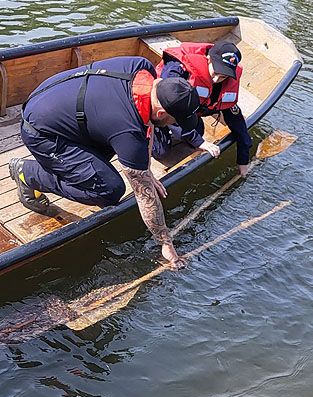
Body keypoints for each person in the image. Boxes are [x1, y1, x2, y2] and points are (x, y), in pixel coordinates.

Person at [11, 56, 200, 268]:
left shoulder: (142, 66)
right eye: (175, 121)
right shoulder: (127, 130)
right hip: (41, 131)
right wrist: (166, 243)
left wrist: (145, 168)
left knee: (121, 163)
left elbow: (148, 124)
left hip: (55, 101)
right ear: (162, 112)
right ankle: (28, 173)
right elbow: (143, 194)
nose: (175, 125)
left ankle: (71, 164)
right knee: (109, 190)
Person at [154, 41, 252, 177]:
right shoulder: (177, 69)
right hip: (159, 111)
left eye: (223, 76)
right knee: (160, 152)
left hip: (187, 113)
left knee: (197, 130)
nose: (217, 79)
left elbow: (236, 120)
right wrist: (199, 142)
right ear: (208, 59)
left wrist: (243, 159)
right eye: (216, 72)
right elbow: (167, 105)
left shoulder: (224, 83)